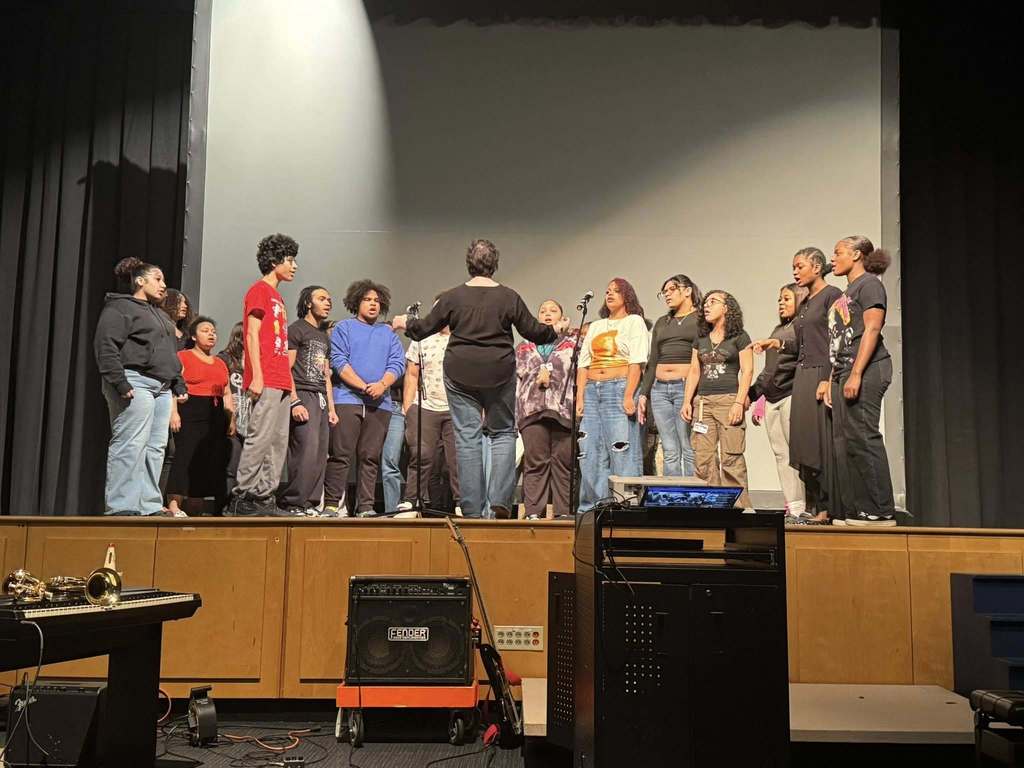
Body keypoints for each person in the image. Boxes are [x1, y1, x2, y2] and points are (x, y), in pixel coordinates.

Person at [392, 239, 564, 519]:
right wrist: (555, 329)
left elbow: (423, 328)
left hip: (461, 374)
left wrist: (404, 323)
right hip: (498, 372)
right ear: (495, 265)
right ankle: (500, 500)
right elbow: (535, 332)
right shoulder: (509, 297)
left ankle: (470, 507)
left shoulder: (453, 297)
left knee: (468, 438)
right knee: (502, 433)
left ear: (469, 264)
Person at [94, 257, 188, 516]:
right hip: (135, 381)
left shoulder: (160, 315)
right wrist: (120, 382)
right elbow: (106, 346)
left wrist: (178, 383)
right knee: (130, 443)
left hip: (161, 387)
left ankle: (147, 504)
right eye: (158, 279)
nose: (163, 285)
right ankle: (121, 505)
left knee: (156, 448)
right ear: (140, 280)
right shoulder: (119, 307)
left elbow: (170, 353)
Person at [227, 233, 299, 516]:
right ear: (274, 261)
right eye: (290, 260)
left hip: (280, 377)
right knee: (260, 436)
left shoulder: (278, 296)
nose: (294, 266)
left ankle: (263, 496)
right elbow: (252, 334)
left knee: (277, 441)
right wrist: (255, 374)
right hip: (265, 376)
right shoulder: (259, 291)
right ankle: (242, 496)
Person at [827, 236, 897, 526]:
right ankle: (857, 508)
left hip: (867, 368)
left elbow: (872, 328)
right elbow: (838, 340)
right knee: (846, 441)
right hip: (844, 370)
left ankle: (880, 509)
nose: (833, 258)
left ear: (856, 255)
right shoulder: (848, 291)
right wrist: (833, 378)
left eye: (838, 252)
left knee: (864, 436)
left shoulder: (869, 284)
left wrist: (856, 372)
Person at [324, 280, 405, 517]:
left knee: (370, 457)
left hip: (380, 403)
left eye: (377, 301)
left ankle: (366, 507)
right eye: (367, 300)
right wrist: (363, 386)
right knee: (341, 455)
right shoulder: (344, 328)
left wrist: (381, 385)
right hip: (347, 399)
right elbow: (339, 360)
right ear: (356, 301)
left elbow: (397, 363)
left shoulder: (387, 333)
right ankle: (331, 504)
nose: (372, 304)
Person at [575, 279, 649, 512]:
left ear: (627, 295)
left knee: (621, 448)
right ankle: (591, 510)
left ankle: (625, 508)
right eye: (607, 291)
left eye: (616, 291)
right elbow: (583, 364)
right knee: (590, 451)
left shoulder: (633, 321)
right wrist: (580, 398)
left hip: (618, 387)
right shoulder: (596, 326)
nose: (610, 294)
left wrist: (629, 394)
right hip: (592, 390)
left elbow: (636, 361)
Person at [682, 290, 753, 507]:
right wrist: (687, 401)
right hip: (702, 403)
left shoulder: (740, 337)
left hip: (728, 400)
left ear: (726, 308)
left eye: (713, 302)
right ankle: (710, 510)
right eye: (705, 302)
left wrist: (739, 402)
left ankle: (740, 511)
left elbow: (747, 371)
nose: (706, 306)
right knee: (703, 460)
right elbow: (694, 371)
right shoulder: (700, 339)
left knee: (731, 458)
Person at [789, 247, 844, 522]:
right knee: (803, 441)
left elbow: (839, 338)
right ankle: (814, 505)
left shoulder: (833, 295)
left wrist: (830, 377)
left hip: (822, 372)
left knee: (819, 443)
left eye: (800, 266)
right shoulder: (805, 302)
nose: (795, 272)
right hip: (803, 374)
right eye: (794, 268)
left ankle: (828, 507)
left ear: (817, 266)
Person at [749, 284, 810, 521]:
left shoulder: (802, 327)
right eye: (779, 300)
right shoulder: (777, 329)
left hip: (792, 395)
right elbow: (770, 370)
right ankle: (794, 507)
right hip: (773, 398)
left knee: (796, 454)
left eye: (786, 298)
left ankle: (807, 506)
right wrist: (754, 395)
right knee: (781, 454)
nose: (781, 303)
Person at [278, 286, 338, 515]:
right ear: (308, 303)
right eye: (322, 298)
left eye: (329, 299)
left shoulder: (323, 336)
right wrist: (294, 401)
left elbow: (326, 375)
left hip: (321, 397)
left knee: (320, 453)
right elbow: (286, 369)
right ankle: (293, 502)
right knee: (304, 450)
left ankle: (310, 503)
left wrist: (331, 408)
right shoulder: (296, 330)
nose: (327, 302)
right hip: (303, 394)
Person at [166, 317, 235, 516]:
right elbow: (173, 385)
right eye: (205, 330)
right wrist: (173, 412)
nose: (211, 334)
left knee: (207, 459)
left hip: (214, 413)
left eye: (213, 331)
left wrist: (231, 417)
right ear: (194, 336)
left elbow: (227, 392)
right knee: (184, 456)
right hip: (190, 410)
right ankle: (174, 504)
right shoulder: (183, 356)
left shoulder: (220, 362)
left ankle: (196, 504)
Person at [515, 299, 578, 519]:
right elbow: (519, 373)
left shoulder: (572, 342)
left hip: (563, 409)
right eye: (543, 311)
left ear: (562, 316)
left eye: (553, 310)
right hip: (532, 410)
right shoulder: (524, 345)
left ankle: (563, 514)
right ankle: (533, 513)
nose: (547, 314)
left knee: (563, 464)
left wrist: (563, 332)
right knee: (535, 463)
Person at [398, 305, 460, 514]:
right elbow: (412, 374)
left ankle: (462, 502)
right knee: (421, 454)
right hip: (425, 406)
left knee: (456, 458)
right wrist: (408, 408)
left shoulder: (462, 339)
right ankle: (411, 500)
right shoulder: (421, 338)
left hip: (455, 408)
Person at [638, 274, 702, 477]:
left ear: (687, 290)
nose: (667, 295)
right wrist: (643, 393)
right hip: (660, 389)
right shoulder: (662, 322)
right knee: (669, 449)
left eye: (671, 289)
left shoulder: (700, 319)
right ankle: (672, 499)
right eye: (663, 292)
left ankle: (692, 497)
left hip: (685, 387)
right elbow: (653, 360)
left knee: (688, 445)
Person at [218, 322, 250, 505]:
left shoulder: (256, 361)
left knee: (249, 467)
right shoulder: (226, 358)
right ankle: (225, 505)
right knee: (231, 464)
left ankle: (244, 505)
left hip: (252, 420)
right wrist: (229, 418)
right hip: (232, 420)